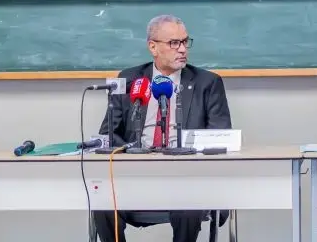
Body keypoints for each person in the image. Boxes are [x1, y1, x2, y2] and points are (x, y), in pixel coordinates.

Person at [92, 14, 233, 242]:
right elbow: (108, 134)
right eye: (174, 43)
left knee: (189, 206)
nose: (182, 49)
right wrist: (132, 157)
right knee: (102, 203)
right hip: (135, 176)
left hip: (186, 179)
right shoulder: (130, 80)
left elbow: (220, 137)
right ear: (153, 47)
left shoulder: (207, 83)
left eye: (185, 42)